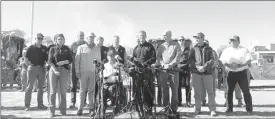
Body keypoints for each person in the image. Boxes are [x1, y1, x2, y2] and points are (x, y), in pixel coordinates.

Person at [220, 35, 253, 114]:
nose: (232, 42)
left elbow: (249, 60)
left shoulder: (244, 50)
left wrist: (240, 65)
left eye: (234, 40)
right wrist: (229, 65)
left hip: (242, 73)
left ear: (238, 41)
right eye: (231, 41)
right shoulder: (226, 50)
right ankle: (229, 108)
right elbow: (222, 61)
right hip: (230, 73)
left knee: (246, 91)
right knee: (229, 92)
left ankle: (249, 109)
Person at [188, 32, 217, 116]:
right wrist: (197, 67)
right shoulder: (193, 49)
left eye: (198, 38)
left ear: (202, 38)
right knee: (197, 92)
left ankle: (212, 109)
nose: (196, 39)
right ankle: (197, 109)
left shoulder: (209, 48)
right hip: (196, 73)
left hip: (207, 73)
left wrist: (204, 67)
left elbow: (212, 60)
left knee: (210, 92)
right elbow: (190, 60)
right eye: (195, 38)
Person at [75, 32, 101, 116]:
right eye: (90, 37)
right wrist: (77, 71)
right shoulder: (81, 48)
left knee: (91, 91)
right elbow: (77, 60)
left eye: (93, 37)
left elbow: (99, 61)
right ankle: (80, 108)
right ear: (87, 39)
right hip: (83, 72)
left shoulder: (97, 48)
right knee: (82, 91)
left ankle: (91, 108)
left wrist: (98, 70)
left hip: (93, 72)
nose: (91, 39)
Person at [48, 34, 73, 118]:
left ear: (64, 40)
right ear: (56, 40)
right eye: (58, 39)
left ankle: (63, 111)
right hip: (53, 70)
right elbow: (50, 60)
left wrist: (64, 62)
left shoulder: (67, 48)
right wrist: (55, 70)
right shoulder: (52, 48)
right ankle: (52, 111)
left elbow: (70, 59)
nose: (60, 40)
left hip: (63, 71)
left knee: (63, 91)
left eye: (62, 39)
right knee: (52, 92)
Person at [132, 30, 156, 116]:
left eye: (143, 35)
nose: (141, 36)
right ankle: (139, 109)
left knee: (147, 91)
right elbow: (133, 59)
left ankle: (148, 110)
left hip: (147, 72)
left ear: (146, 36)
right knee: (137, 91)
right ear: (138, 37)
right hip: (137, 73)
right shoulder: (135, 48)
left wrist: (145, 64)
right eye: (140, 35)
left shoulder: (150, 46)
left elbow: (154, 58)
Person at [157, 30, 181, 116]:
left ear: (169, 35)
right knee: (164, 90)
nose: (163, 37)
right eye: (163, 35)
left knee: (174, 90)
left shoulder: (176, 45)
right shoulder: (161, 46)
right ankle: (166, 108)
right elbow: (158, 57)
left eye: (165, 35)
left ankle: (174, 109)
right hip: (163, 71)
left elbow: (178, 57)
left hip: (174, 71)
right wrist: (163, 64)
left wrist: (170, 65)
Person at [24, 33, 48, 111]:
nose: (40, 40)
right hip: (32, 68)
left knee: (41, 88)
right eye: (38, 38)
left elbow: (47, 59)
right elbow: (26, 59)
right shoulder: (30, 48)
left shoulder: (44, 48)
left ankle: (40, 105)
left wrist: (46, 65)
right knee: (29, 87)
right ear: (35, 39)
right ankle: (27, 105)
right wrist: (30, 66)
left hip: (41, 69)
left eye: (41, 38)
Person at [102, 48, 126, 115]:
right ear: (107, 57)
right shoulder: (104, 66)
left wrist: (120, 75)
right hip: (106, 85)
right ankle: (102, 112)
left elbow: (123, 76)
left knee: (116, 90)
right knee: (103, 92)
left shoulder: (118, 65)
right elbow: (104, 77)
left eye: (113, 55)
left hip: (116, 85)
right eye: (110, 56)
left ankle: (116, 112)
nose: (111, 57)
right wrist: (112, 73)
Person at [69, 31, 87, 108]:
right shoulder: (73, 45)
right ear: (77, 36)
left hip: (84, 68)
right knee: (73, 85)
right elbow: (69, 56)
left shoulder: (87, 44)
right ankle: (73, 102)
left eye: (82, 35)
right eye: (80, 35)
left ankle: (84, 102)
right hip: (74, 68)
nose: (81, 36)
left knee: (84, 86)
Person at [201, 40, 219, 106]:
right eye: (204, 43)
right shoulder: (199, 51)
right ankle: (203, 101)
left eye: (206, 43)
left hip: (211, 71)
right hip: (202, 72)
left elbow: (216, 61)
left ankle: (212, 101)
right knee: (202, 87)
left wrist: (210, 67)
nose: (205, 45)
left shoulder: (212, 51)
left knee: (212, 87)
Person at [177, 37, 192, 107]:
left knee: (188, 85)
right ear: (178, 41)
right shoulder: (176, 49)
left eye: (183, 40)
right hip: (178, 69)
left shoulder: (189, 50)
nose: (181, 41)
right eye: (180, 40)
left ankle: (188, 101)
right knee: (178, 86)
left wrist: (184, 65)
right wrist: (178, 65)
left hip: (186, 69)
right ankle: (179, 101)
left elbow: (190, 59)